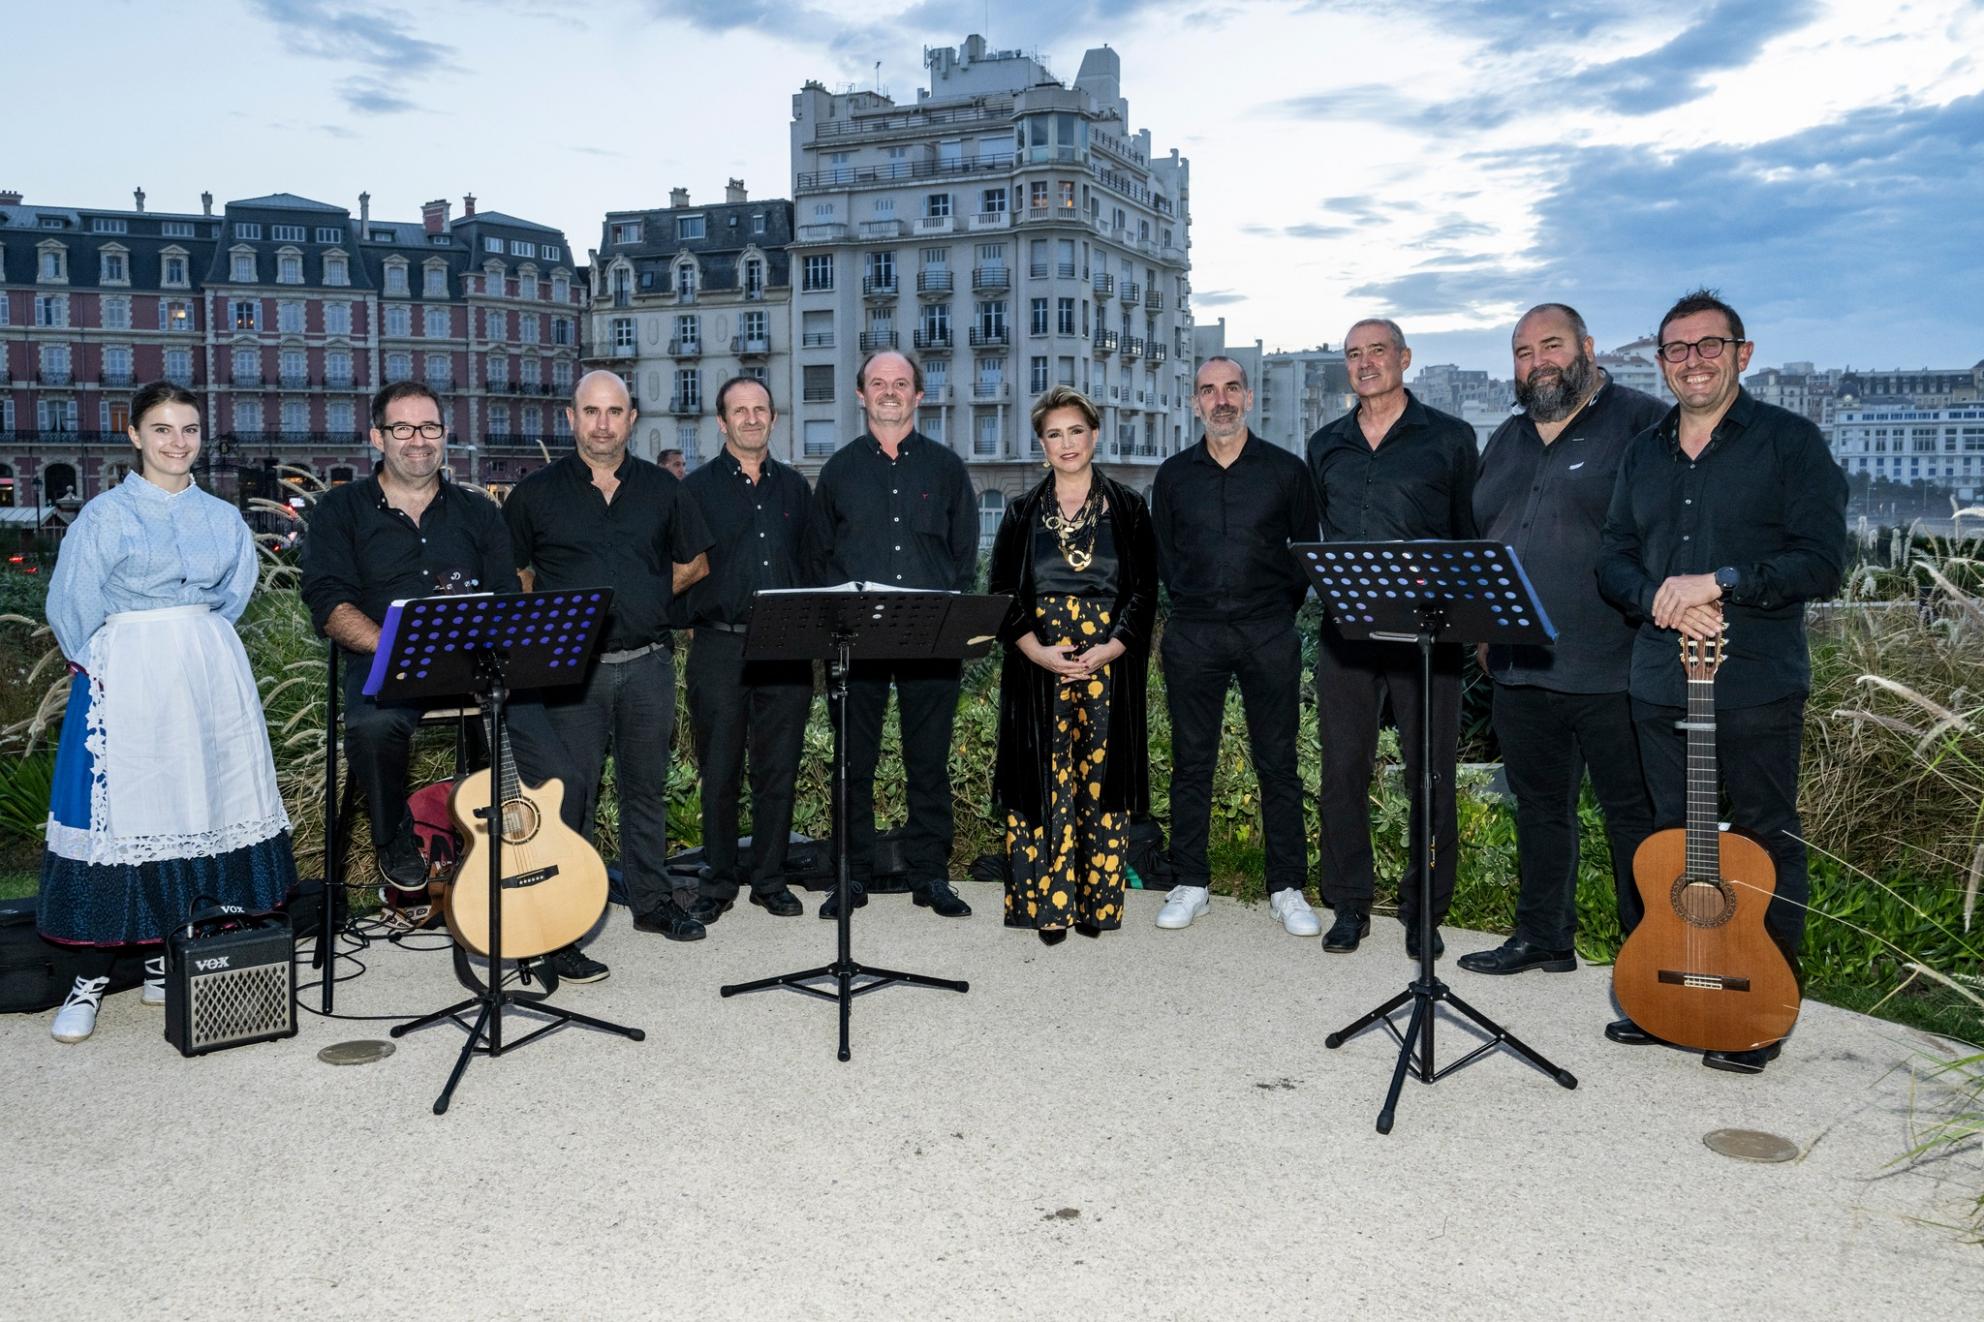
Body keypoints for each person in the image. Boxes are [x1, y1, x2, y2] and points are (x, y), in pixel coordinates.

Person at [1597, 288, 1846, 1074]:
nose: (1693, 360)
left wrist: (1721, 582)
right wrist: (1661, 598)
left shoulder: (1789, 443)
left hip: (1755, 680)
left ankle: (1761, 1010)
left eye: (1710, 345)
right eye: (1677, 349)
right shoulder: (1642, 453)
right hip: (1660, 678)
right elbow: (1613, 559)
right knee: (1666, 840)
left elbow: (1822, 561)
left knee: (1767, 838)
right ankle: (1666, 987)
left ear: (1743, 353)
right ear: (1661, 362)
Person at [300, 382, 607, 984]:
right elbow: (330, 604)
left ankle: (555, 922)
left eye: (430, 428)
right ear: (377, 437)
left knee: (563, 778)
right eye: (403, 428)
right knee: (373, 727)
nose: (418, 440)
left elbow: (505, 598)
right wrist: (394, 645)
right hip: (388, 659)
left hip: (478, 665)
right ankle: (394, 838)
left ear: (445, 435)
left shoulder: (478, 512)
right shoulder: (341, 511)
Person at [39, 382, 297, 1043]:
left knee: (199, 808)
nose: (177, 442)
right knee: (126, 815)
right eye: (162, 429)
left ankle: (167, 955)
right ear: (134, 435)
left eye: (189, 429)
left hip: (207, 668)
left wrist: (194, 640)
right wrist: (112, 662)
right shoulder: (104, 516)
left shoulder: (223, 517)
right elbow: (71, 603)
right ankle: (89, 979)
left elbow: (235, 592)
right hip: (128, 668)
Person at [1458, 304, 1664, 978]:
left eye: (1551, 345)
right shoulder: (1507, 437)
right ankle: (1543, 937)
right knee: (1541, 809)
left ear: (1587, 348)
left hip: (1616, 667)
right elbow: (1485, 536)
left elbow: (1670, 534)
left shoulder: (1642, 424)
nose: (1537, 362)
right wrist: (1484, 626)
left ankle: (1650, 959)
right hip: (1519, 666)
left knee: (1632, 817)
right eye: (1523, 352)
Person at [504, 370, 713, 941]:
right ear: (571, 418)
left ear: (631, 419)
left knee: (646, 790)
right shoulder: (534, 494)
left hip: (648, 664)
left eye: (614, 412)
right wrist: (551, 623)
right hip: (571, 671)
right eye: (591, 411)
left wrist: (647, 599)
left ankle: (653, 903)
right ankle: (568, 916)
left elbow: (695, 563)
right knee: (571, 795)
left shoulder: (664, 489)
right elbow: (514, 573)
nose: (603, 424)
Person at [1306, 317, 1478, 958]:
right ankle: (1349, 905)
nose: (1365, 363)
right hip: (1346, 632)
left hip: (1429, 636)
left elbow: (1468, 534)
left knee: (1430, 775)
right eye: (1354, 354)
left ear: (1404, 358)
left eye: (1377, 351)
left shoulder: (1451, 438)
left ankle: (1424, 911)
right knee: (1341, 772)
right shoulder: (1325, 443)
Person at [1150, 357, 1321, 938]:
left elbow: (1305, 554)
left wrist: (1273, 610)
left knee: (1279, 763)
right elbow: (1165, 556)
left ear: (1248, 397)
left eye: (1230, 389)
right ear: (1194, 401)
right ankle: (1190, 882)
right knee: (1191, 761)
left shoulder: (1287, 471)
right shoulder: (1174, 476)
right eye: (1208, 390)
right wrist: (1196, 603)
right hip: (1193, 632)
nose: (1219, 400)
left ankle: (1286, 887)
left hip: (1267, 631)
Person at [803, 350, 977, 919]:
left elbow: (964, 557)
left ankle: (930, 876)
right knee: (853, 764)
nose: (889, 391)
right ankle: (851, 876)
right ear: (861, 395)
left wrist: (944, 615)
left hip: (931, 635)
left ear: (918, 395)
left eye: (901, 383)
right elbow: (819, 557)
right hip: (855, 638)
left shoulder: (947, 469)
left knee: (928, 762)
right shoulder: (838, 472)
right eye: (878, 383)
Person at [987, 387, 1158, 943]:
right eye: (1054, 434)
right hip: (1039, 667)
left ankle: (1095, 906)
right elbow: (1001, 593)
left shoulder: (1129, 507)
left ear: (1095, 435)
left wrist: (1113, 646)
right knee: (1044, 782)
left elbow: (1146, 592)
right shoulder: (1020, 512)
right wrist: (1036, 650)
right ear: (1042, 444)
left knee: (1101, 785)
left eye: (1076, 431)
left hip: (1110, 666)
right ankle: (1047, 906)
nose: (1067, 443)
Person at [681, 377, 812, 925]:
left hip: (787, 646)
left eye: (761, 409)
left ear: (774, 418)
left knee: (778, 771)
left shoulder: (797, 489)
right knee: (720, 771)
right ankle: (716, 881)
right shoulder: (694, 490)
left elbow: (812, 565)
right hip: (719, 645)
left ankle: (770, 880)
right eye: (740, 410)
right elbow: (679, 567)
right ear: (722, 422)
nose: (752, 418)